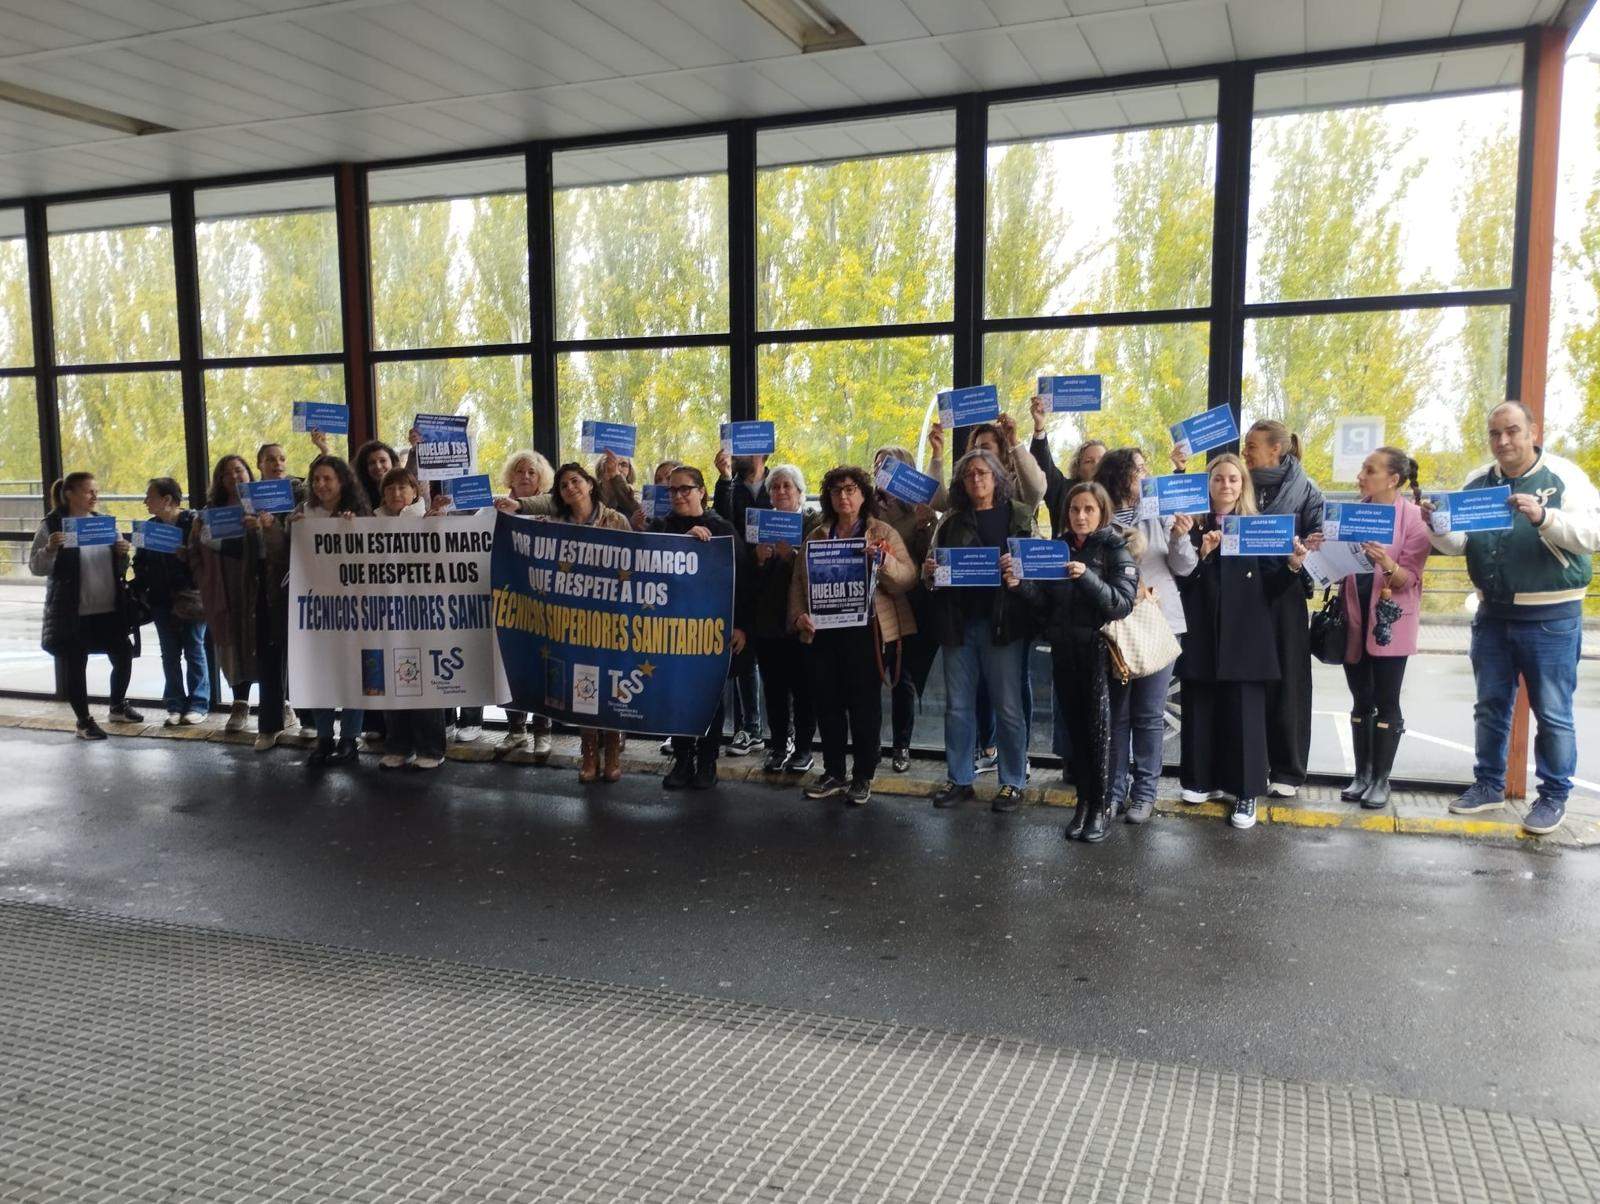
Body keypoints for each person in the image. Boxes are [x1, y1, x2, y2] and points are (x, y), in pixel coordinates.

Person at [1426, 401, 1600, 835]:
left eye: (1513, 431)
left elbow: (1593, 536)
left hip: (1552, 617)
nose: (1503, 441)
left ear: (1533, 431)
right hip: (1492, 613)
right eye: (1495, 433)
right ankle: (1488, 786)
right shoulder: (1478, 482)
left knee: (1553, 712)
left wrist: (1545, 517)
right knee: (1490, 706)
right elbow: (1457, 544)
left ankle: (1554, 796)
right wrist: (1438, 524)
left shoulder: (1565, 477)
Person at [1175, 454, 1309, 830]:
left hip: (1246, 638)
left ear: (1243, 485)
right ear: (1209, 484)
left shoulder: (1256, 529)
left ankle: (1246, 794)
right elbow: (1183, 581)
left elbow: (1273, 587)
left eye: (1234, 479)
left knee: (1245, 718)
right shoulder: (1192, 528)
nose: (1227, 486)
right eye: (1219, 479)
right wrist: (1202, 555)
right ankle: (1202, 780)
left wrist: (1293, 566)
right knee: (1201, 708)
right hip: (1203, 635)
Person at [1008, 481, 1138, 842]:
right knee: (1077, 734)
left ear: (1101, 512)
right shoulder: (1056, 549)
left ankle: (1101, 808)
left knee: (1102, 733)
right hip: (1066, 652)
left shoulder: (1115, 548)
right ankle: (1083, 803)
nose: (1080, 516)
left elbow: (1120, 604)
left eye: (1088, 509)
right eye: (1074, 509)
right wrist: (1021, 586)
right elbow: (1046, 607)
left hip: (1103, 655)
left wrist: (1088, 577)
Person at [790, 465, 917, 805]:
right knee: (827, 704)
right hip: (823, 633)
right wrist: (799, 616)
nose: (843, 496)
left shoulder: (882, 532)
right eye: (836, 491)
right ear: (829, 498)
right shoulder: (816, 535)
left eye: (850, 489)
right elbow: (799, 585)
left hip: (868, 632)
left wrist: (886, 561)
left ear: (863, 494)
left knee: (864, 706)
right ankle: (834, 771)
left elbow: (908, 578)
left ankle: (863, 775)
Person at [922, 447, 1036, 812]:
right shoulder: (951, 521)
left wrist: (1018, 569)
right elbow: (933, 573)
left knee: (1007, 707)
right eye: (969, 474)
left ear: (998, 478)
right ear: (961, 483)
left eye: (983, 473)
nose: (976, 479)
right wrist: (930, 574)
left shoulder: (1019, 515)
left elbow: (1036, 569)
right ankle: (960, 779)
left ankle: (1012, 782)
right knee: (957, 708)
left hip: (1004, 624)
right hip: (959, 624)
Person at [1096, 447, 1196, 825]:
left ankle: (1144, 794)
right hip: (1115, 627)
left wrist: (1179, 537)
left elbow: (1185, 567)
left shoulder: (1160, 513)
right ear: (1119, 475)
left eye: (1145, 467)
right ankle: (1114, 791)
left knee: (1149, 715)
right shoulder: (1100, 517)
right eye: (1138, 468)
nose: (1145, 473)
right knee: (1117, 715)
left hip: (1159, 624)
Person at [1334, 448, 1432, 810]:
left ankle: (1381, 780)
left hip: (1390, 622)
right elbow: (1335, 561)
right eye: (1362, 468)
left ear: (1392, 479)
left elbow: (1410, 580)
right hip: (1354, 618)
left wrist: (1385, 561)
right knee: (1360, 698)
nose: (1361, 475)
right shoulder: (1353, 512)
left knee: (1386, 700)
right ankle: (1361, 775)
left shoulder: (1413, 519)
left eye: (1369, 470)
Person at [650, 465, 749, 789]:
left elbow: (744, 580)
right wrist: (683, 541)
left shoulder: (720, 527)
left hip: (710, 632)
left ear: (701, 491)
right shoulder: (661, 526)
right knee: (676, 696)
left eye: (685, 489)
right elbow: (645, 565)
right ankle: (682, 760)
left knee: (710, 699)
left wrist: (741, 626)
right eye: (672, 490)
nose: (678, 495)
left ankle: (708, 762)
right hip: (670, 631)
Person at [1242, 419, 1324, 799]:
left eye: (1252, 446)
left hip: (1287, 594)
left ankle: (1288, 770)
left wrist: (1305, 550)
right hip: (1245, 592)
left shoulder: (1307, 491)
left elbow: (1321, 543)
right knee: (1249, 683)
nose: (1245, 453)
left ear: (1277, 449)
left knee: (1288, 683)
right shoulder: (1240, 485)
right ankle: (1251, 765)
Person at [29, 472, 143, 740]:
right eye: (89, 491)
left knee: (123, 653)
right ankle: (84, 721)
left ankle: (117, 705)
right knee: (76, 664)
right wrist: (50, 549)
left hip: (108, 608)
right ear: (69, 493)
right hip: (73, 611)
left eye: (96, 491)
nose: (95, 496)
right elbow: (36, 567)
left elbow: (120, 569)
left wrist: (122, 553)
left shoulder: (103, 524)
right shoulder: (53, 525)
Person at [280, 454, 371, 764]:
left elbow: (372, 556)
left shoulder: (358, 512)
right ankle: (323, 737)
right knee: (318, 671)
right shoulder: (303, 512)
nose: (320, 485)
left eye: (327, 479)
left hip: (353, 606)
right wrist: (290, 529)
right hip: (315, 607)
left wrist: (355, 528)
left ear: (341, 481)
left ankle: (349, 738)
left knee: (352, 671)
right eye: (316, 479)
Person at [368, 468, 447, 771]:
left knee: (424, 679)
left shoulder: (429, 517)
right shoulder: (371, 522)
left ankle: (431, 747)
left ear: (415, 492)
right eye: (390, 488)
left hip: (423, 613)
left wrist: (436, 524)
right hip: (385, 614)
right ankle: (399, 745)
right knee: (391, 679)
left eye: (403, 488)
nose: (397, 493)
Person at [872, 445, 941, 773]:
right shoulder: (865, 504)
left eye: (890, 466)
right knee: (869, 677)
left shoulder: (918, 510)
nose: (882, 470)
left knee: (903, 679)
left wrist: (927, 526)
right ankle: (869, 746)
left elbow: (929, 560)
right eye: (878, 464)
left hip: (907, 605)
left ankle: (901, 747)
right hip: (869, 604)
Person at [749, 464, 820, 774]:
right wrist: (759, 561)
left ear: (800, 493)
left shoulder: (812, 525)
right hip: (767, 623)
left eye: (787, 486)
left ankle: (804, 748)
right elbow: (748, 581)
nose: (780, 492)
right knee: (774, 690)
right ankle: (779, 745)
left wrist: (793, 557)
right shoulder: (757, 528)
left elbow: (819, 573)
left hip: (799, 622)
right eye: (775, 487)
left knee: (804, 689)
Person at [190, 454, 259, 734]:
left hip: (255, 586)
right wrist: (203, 577)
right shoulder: (210, 511)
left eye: (239, 471)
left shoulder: (261, 505)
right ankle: (239, 704)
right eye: (227, 473)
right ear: (219, 480)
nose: (234, 477)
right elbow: (194, 553)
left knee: (261, 642)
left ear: (249, 474)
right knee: (231, 648)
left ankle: (280, 703)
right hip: (222, 590)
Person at [134, 477, 208, 726]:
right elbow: (139, 563)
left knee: (194, 649)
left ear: (167, 500)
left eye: (150, 496)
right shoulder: (147, 528)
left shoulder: (193, 523)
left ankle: (199, 704)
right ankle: (175, 704)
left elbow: (206, 558)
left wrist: (186, 557)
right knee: (169, 654)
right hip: (160, 599)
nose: (145, 501)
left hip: (190, 596)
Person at [497, 450, 556, 758]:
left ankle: (542, 732)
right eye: (520, 471)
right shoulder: (496, 507)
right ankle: (516, 730)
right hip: (508, 598)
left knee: (541, 663)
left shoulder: (550, 506)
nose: (525, 476)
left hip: (542, 599)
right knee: (509, 662)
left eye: (532, 473)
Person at [713, 447, 768, 757]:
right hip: (736, 579)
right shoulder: (730, 486)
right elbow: (722, 523)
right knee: (738, 656)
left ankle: (756, 727)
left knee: (755, 662)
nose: (738, 453)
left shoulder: (777, 485)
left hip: (769, 585)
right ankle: (743, 729)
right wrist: (723, 479)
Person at [1027, 393, 1105, 535]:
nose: (1096, 464)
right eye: (1089, 461)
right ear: (1078, 468)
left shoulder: (1117, 494)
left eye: (1102, 460)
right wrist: (1039, 427)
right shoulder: (1063, 490)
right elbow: (1043, 467)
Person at [351, 439, 403, 514]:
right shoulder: (356, 496)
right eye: (372, 463)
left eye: (383, 461)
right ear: (365, 468)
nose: (378, 466)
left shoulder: (406, 489)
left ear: (392, 462)